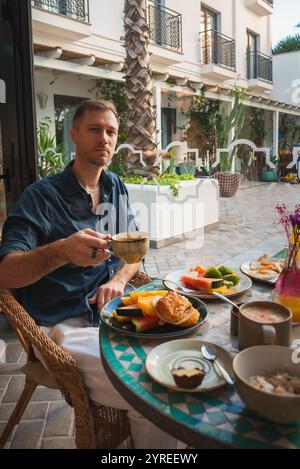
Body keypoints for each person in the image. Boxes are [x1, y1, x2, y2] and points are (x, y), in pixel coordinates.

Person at [0, 99, 178, 449]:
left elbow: (136, 252)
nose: (104, 138)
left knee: (176, 359)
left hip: (115, 312)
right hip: (64, 322)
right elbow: (6, 274)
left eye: (111, 131)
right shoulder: (41, 197)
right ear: (74, 135)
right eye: (94, 129)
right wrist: (61, 250)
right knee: (152, 392)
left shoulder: (116, 187)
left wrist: (117, 280)